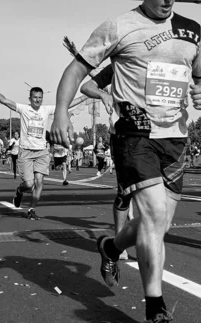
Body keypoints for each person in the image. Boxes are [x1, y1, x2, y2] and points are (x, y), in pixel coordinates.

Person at [50, 0, 201, 323]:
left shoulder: (191, 29)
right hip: (134, 133)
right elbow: (78, 67)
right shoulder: (119, 26)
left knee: (158, 224)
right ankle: (155, 305)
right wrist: (62, 110)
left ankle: (111, 246)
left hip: (175, 136)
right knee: (154, 214)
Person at [0, 80, 84, 220]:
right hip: (26, 152)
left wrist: (87, 96)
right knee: (29, 183)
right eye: (35, 97)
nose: (37, 100)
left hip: (42, 152)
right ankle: (20, 191)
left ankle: (32, 209)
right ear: (30, 98)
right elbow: (4, 100)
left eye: (40, 97)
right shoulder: (24, 109)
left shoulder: (46, 110)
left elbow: (67, 104)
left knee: (39, 182)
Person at [80, 63, 132, 261]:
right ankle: (120, 241)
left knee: (148, 192)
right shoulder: (113, 82)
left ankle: (135, 228)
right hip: (121, 137)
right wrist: (82, 60)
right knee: (126, 190)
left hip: (148, 138)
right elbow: (95, 77)